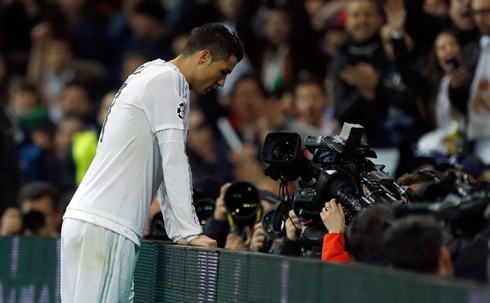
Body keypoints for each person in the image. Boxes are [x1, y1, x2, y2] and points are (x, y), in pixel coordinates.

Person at [60, 23, 243, 302]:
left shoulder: (153, 73)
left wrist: (179, 230)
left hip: (91, 221)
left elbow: (165, 164)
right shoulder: (168, 81)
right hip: (108, 225)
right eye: (223, 72)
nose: (221, 83)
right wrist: (191, 232)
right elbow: (174, 161)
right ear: (204, 56)